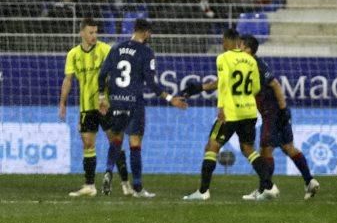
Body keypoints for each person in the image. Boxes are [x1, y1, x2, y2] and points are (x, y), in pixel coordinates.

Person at [182, 34, 320, 200]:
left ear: (248, 49)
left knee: (263, 150)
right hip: (262, 112)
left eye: (242, 46)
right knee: (285, 147)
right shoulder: (250, 63)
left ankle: (265, 188)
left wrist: (281, 110)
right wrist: (202, 87)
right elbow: (228, 82)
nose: (239, 47)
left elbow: (274, 84)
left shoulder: (253, 64)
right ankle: (309, 180)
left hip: (269, 113)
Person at [183, 29, 279, 201]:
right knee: (248, 149)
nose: (222, 44)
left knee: (211, 147)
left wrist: (221, 108)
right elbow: (256, 87)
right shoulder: (251, 60)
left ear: (228, 41)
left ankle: (203, 192)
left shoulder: (223, 58)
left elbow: (225, 83)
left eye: (223, 41)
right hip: (249, 111)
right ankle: (269, 186)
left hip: (230, 112)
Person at [97, 19, 188, 198]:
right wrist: (170, 98)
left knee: (116, 139)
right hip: (134, 102)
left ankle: (108, 170)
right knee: (135, 144)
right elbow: (152, 83)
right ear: (146, 32)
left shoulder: (116, 48)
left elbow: (102, 75)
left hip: (116, 100)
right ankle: (138, 188)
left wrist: (102, 97)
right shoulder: (146, 52)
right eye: (150, 33)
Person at [60, 18, 131, 197]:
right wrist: (62, 103)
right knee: (88, 144)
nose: (94, 36)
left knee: (115, 142)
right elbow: (68, 80)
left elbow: (117, 75)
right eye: (90, 32)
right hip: (87, 108)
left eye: (95, 32)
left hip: (105, 106)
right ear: (82, 33)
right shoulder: (73, 54)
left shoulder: (105, 50)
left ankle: (125, 183)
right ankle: (89, 186)